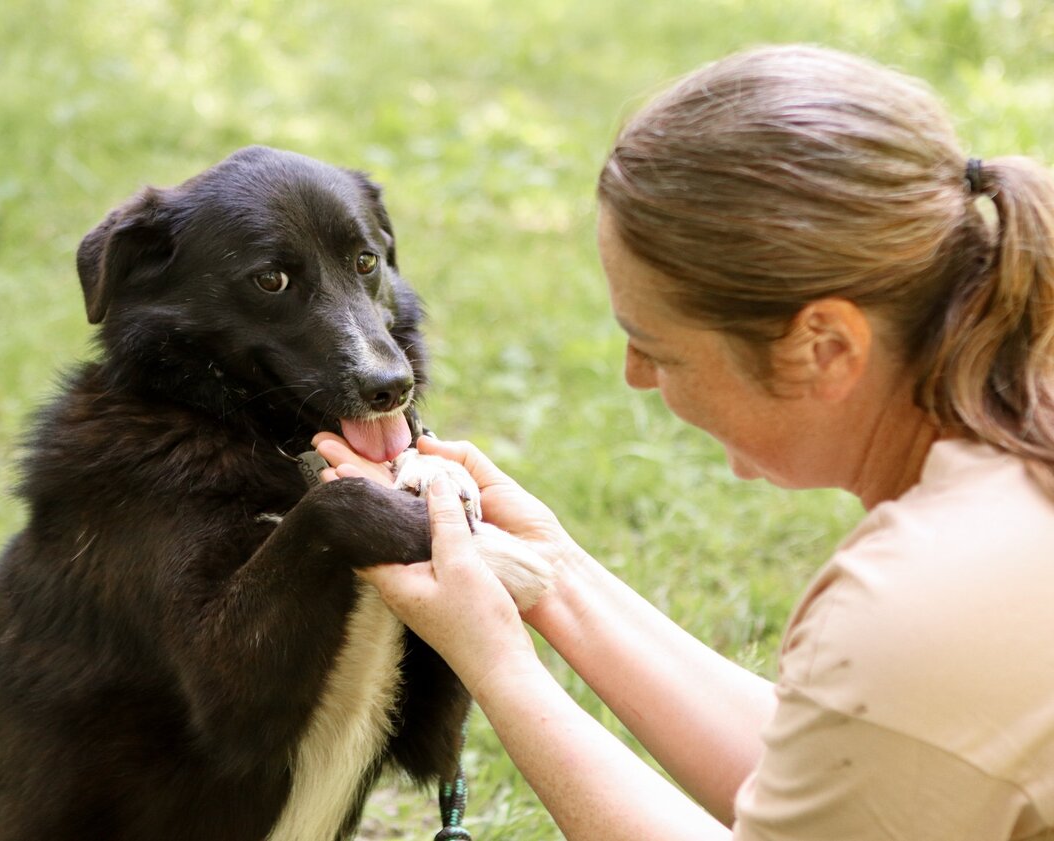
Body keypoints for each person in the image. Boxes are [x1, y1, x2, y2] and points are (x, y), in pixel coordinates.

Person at [314, 44, 1054, 840]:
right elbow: (850, 776)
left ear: (827, 346)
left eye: (658, 347)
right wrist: (554, 578)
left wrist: (497, 663)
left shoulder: (915, 604)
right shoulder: (996, 500)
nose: (634, 375)